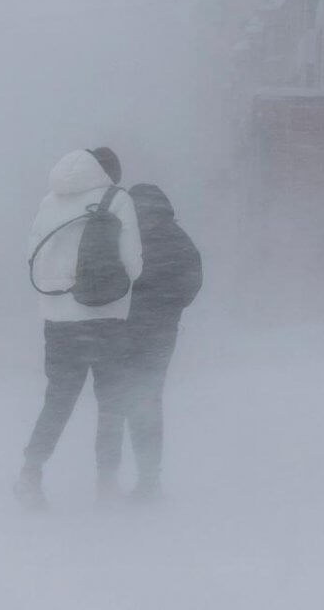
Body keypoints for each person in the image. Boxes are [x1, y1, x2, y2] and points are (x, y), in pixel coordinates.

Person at [15, 147, 142, 510]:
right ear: (109, 175)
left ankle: (30, 473)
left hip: (58, 321)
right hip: (106, 317)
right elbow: (133, 265)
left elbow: (32, 257)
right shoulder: (117, 199)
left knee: (58, 400)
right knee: (111, 403)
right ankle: (106, 483)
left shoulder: (49, 201)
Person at [121, 183, 203, 502]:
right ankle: (148, 477)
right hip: (161, 334)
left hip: (125, 329)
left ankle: (108, 476)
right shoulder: (179, 238)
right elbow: (193, 282)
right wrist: (170, 308)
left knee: (118, 399)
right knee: (149, 399)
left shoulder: (128, 236)